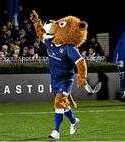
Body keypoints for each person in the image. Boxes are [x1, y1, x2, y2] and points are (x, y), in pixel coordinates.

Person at [30, 10, 88, 139]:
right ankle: (74, 121)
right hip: (55, 79)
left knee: (58, 102)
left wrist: (82, 77)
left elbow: (80, 62)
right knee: (63, 105)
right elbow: (40, 32)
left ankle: (56, 131)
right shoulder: (50, 42)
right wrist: (36, 21)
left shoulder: (69, 48)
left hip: (66, 80)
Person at [113, 31, 125, 101]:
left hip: (121, 58)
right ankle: (122, 92)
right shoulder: (122, 40)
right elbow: (118, 51)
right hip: (121, 58)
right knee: (122, 74)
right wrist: (116, 61)